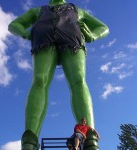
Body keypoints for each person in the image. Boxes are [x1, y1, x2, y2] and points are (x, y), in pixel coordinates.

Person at [8, 0, 109, 149]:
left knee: (78, 80)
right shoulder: (39, 11)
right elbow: (14, 25)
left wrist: (91, 35)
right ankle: (30, 138)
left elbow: (103, 27)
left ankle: (89, 138)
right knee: (39, 80)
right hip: (44, 40)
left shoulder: (77, 10)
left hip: (72, 40)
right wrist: (26, 33)